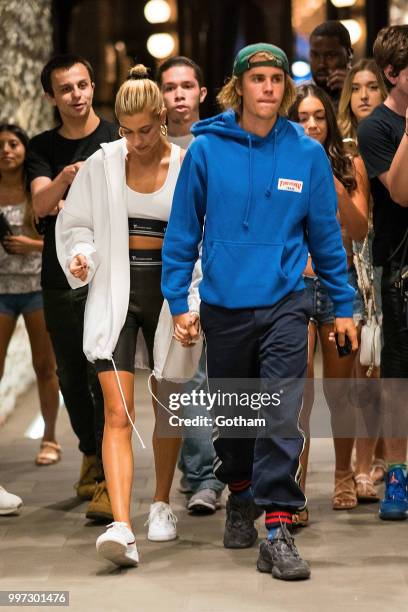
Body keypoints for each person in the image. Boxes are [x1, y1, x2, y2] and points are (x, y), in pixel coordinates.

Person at [162, 43, 357, 581]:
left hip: (287, 302)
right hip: (225, 303)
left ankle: (276, 526)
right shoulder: (206, 151)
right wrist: (180, 300)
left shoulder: (306, 153)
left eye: (276, 78)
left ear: (284, 87)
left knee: (278, 411)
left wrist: (343, 304)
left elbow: (326, 236)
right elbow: (182, 232)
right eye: (258, 78)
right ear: (238, 86)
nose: (268, 87)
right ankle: (241, 492)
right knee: (235, 417)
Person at [56, 64, 190, 567]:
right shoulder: (103, 161)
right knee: (118, 411)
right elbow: (77, 223)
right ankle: (122, 524)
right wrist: (82, 254)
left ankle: (160, 503)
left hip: (169, 293)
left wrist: (191, 304)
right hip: (115, 292)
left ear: (161, 118)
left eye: (145, 130)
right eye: (126, 132)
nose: (135, 142)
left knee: (168, 405)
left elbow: (199, 238)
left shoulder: (184, 164)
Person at [27, 54, 118, 522]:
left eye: (83, 85)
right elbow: (41, 205)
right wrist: (67, 175)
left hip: (108, 273)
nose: (78, 95)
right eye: (66, 89)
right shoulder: (42, 147)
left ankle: (105, 473)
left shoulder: (117, 138)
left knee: (101, 372)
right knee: (69, 375)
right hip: (59, 276)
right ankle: (89, 449)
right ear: (51, 97)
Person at [288, 86, 371, 522]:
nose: (312, 124)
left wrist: (334, 186)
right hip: (295, 291)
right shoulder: (282, 161)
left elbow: (358, 229)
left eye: (319, 115)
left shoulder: (348, 163)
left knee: (341, 393)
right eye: (303, 116)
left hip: (340, 290)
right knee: (297, 396)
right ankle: (295, 486)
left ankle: (342, 476)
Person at [157, 55, 225, 513]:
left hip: (212, 270)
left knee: (199, 375)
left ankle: (207, 476)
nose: (178, 94)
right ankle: (197, 472)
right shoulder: (146, 147)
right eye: (170, 87)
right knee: (173, 381)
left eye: (186, 85)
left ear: (202, 93)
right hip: (160, 271)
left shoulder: (216, 143)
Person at [358, 25, 408, 520]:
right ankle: (397, 474)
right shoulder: (378, 127)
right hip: (398, 266)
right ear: (392, 74)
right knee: (398, 376)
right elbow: (400, 191)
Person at [338, 59, 388, 486]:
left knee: (387, 369)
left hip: (388, 260)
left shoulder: (388, 140)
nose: (365, 95)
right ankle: (361, 465)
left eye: (373, 86)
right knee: (364, 370)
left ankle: (383, 463)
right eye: (357, 88)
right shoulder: (342, 149)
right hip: (352, 267)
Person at [0, 123, 60, 465]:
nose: (7, 150)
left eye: (13, 144)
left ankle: (50, 438)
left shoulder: (36, 191)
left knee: (44, 366)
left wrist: (30, 245)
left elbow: (55, 242)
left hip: (36, 287)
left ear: (24, 149)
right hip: (2, 291)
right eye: (1, 146)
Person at [309, 20, 353, 108]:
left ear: (349, 54)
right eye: (315, 55)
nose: (321, 64)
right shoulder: (299, 97)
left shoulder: (366, 94)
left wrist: (352, 91)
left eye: (330, 56)